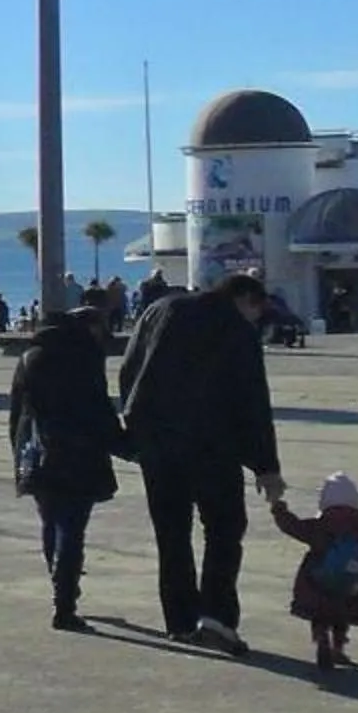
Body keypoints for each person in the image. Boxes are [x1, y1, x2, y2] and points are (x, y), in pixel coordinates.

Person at [119, 271, 283, 655]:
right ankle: (216, 619)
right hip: (213, 446)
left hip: (157, 444)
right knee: (224, 529)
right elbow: (252, 400)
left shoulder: (159, 309)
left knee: (172, 534)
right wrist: (266, 466)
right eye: (257, 312)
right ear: (246, 298)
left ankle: (179, 620)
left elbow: (129, 370)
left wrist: (134, 427)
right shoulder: (236, 327)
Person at [9, 292, 125, 632]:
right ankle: (65, 603)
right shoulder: (82, 357)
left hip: (38, 453)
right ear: (88, 328)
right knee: (72, 529)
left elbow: (18, 412)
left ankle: (59, 582)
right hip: (78, 453)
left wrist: (18, 453)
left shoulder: (32, 353)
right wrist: (124, 445)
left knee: (50, 522)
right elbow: (97, 410)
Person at [268, 472, 358, 672]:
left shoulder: (319, 526)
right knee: (342, 615)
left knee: (320, 614)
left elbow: (291, 526)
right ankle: (338, 647)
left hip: (319, 580)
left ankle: (321, 637)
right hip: (353, 583)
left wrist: (279, 508)